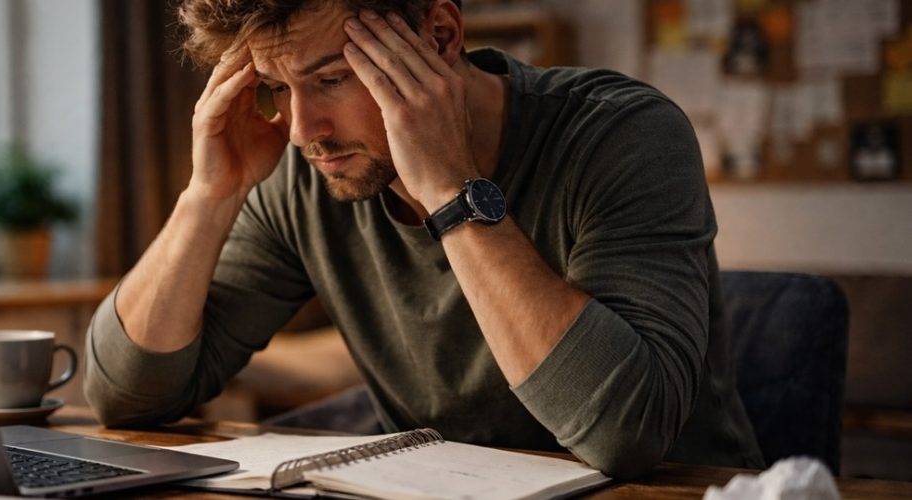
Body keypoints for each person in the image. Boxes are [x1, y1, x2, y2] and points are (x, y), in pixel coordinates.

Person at [84, 0, 765, 479]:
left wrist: (448, 188)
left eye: (330, 79)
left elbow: (627, 432)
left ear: (440, 36)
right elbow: (127, 396)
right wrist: (210, 196)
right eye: (274, 88)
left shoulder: (623, 135)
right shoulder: (307, 176)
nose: (301, 129)